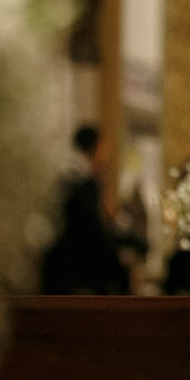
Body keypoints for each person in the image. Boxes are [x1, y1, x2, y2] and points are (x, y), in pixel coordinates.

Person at [41, 125, 129, 295]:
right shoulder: (80, 180)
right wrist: (119, 273)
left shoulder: (66, 174)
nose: (107, 154)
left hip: (59, 270)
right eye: (104, 147)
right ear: (95, 147)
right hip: (74, 274)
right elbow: (92, 231)